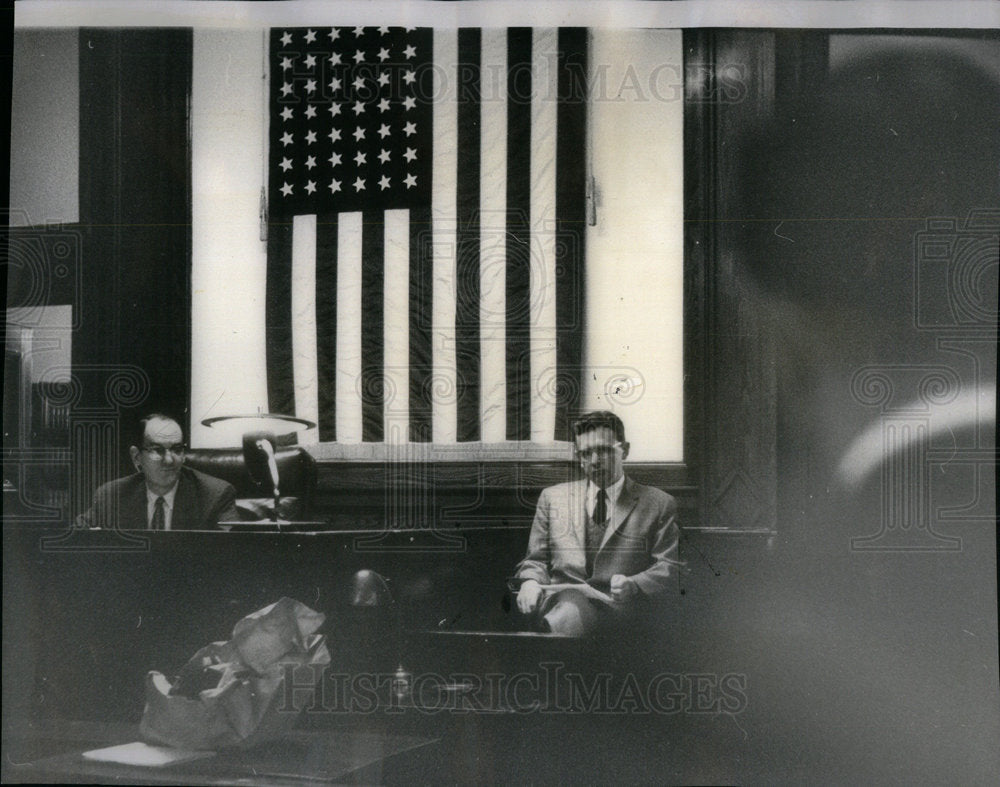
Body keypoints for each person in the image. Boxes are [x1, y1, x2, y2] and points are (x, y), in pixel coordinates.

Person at [513, 410, 681, 636]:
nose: (594, 462)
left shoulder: (658, 503)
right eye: (585, 453)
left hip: (618, 609)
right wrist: (529, 583)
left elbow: (670, 567)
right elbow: (535, 562)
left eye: (603, 451)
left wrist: (634, 584)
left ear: (625, 450)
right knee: (572, 607)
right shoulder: (553, 498)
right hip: (561, 603)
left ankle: (539, 659)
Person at [76, 413, 239, 530]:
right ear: (137, 456)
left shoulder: (214, 495)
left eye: (176, 449)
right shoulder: (112, 495)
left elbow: (231, 553)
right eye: (157, 450)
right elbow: (75, 536)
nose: (169, 460)